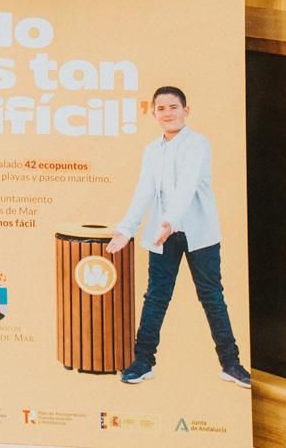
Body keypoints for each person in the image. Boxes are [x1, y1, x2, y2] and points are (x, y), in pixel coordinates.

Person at [107, 86, 250, 389]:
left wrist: (169, 221)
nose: (168, 113)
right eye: (161, 108)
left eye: (174, 107)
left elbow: (186, 186)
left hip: (200, 233)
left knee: (212, 297)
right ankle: (143, 361)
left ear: (186, 110)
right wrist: (126, 229)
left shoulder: (198, 144)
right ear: (153, 113)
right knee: (156, 297)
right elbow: (144, 191)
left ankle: (231, 363)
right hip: (162, 236)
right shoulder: (152, 150)